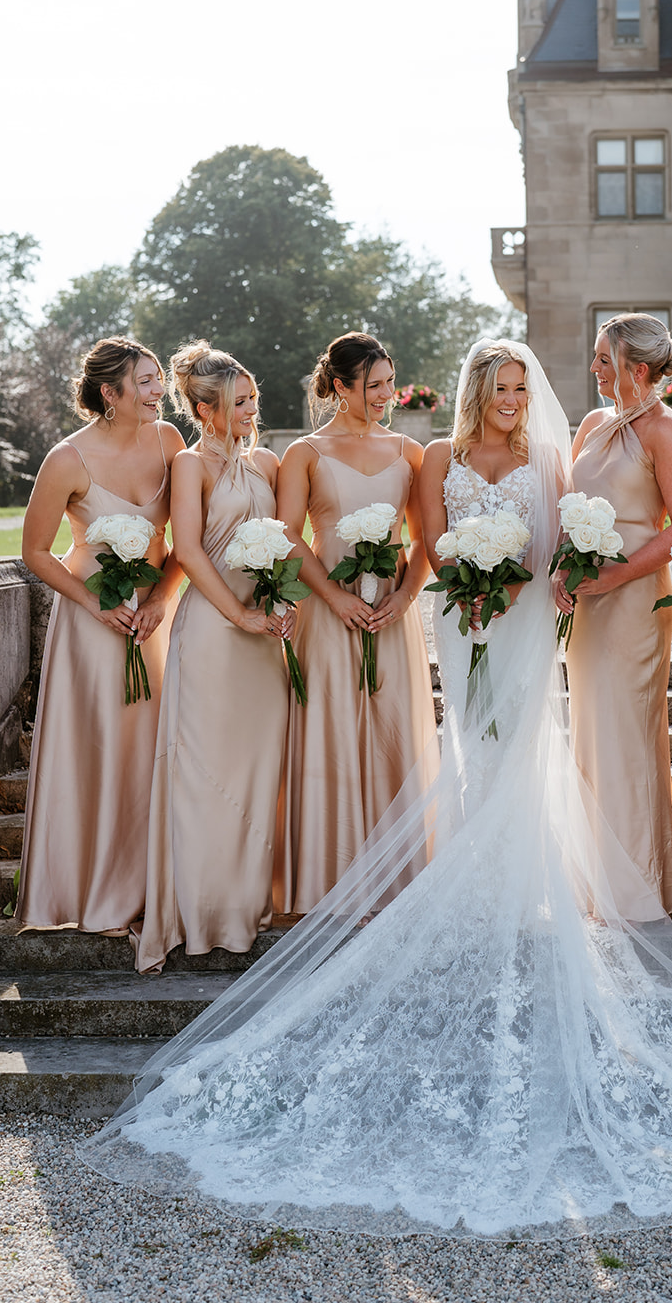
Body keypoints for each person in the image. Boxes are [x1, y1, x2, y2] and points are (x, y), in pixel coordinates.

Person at [80, 339, 672, 1239]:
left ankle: (523, 886)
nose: (512, 400)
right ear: (475, 393)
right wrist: (461, 583)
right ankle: (469, 881)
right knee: (469, 750)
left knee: (524, 748)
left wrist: (521, 585)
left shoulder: (548, 456)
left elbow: (550, 543)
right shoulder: (439, 457)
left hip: (524, 614)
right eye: (499, 388)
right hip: (461, 620)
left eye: (520, 388)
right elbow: (427, 535)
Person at [18, 338, 185, 933]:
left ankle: (148, 888)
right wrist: (95, 606)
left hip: (150, 624)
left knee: (149, 752)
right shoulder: (67, 459)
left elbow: (182, 543)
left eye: (158, 377)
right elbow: (35, 552)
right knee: (101, 752)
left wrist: (162, 599)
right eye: (144, 382)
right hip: (92, 626)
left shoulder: (169, 442)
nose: (157, 390)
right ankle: (87, 891)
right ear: (109, 395)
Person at [135, 344, 292, 973]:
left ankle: (248, 906)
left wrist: (281, 604)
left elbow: (286, 542)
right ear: (204, 409)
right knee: (205, 776)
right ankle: (200, 915)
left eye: (253, 399)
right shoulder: (191, 466)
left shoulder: (271, 464)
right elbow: (190, 552)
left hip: (263, 638)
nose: (253, 410)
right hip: (212, 632)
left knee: (257, 771)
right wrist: (240, 613)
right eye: (239, 402)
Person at [272, 333, 436, 915]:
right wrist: (334, 599)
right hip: (329, 610)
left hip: (390, 614)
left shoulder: (409, 452)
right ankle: (329, 877)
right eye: (375, 386)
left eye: (391, 382)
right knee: (332, 732)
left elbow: (423, 540)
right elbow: (288, 535)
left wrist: (408, 596)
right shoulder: (304, 454)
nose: (387, 395)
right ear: (340, 387)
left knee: (394, 731)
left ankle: (401, 880)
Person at [554, 314, 672, 916]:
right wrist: (566, 566)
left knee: (625, 736)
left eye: (602, 359)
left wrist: (614, 574)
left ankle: (635, 887)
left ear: (637, 370)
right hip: (587, 606)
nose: (593, 368)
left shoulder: (667, 431)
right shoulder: (591, 423)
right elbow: (567, 506)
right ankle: (593, 879)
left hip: (636, 599)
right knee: (592, 733)